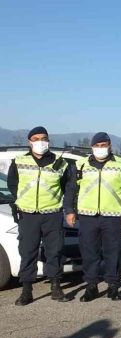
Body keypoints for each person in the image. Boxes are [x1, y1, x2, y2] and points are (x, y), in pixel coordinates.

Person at [7, 126, 72, 305]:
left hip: (52, 214)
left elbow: (67, 187)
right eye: (35, 139)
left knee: (55, 252)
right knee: (27, 252)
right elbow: (13, 184)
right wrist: (22, 201)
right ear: (29, 142)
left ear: (48, 140)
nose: (40, 142)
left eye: (43, 138)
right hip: (28, 215)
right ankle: (27, 290)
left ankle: (56, 287)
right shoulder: (19, 161)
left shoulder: (60, 163)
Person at [65, 132, 121, 302]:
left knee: (113, 252)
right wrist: (69, 210)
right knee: (89, 252)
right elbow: (71, 189)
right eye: (97, 146)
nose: (101, 148)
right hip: (88, 216)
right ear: (92, 147)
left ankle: (113, 286)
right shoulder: (80, 165)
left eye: (104, 145)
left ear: (110, 146)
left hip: (113, 216)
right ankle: (91, 286)